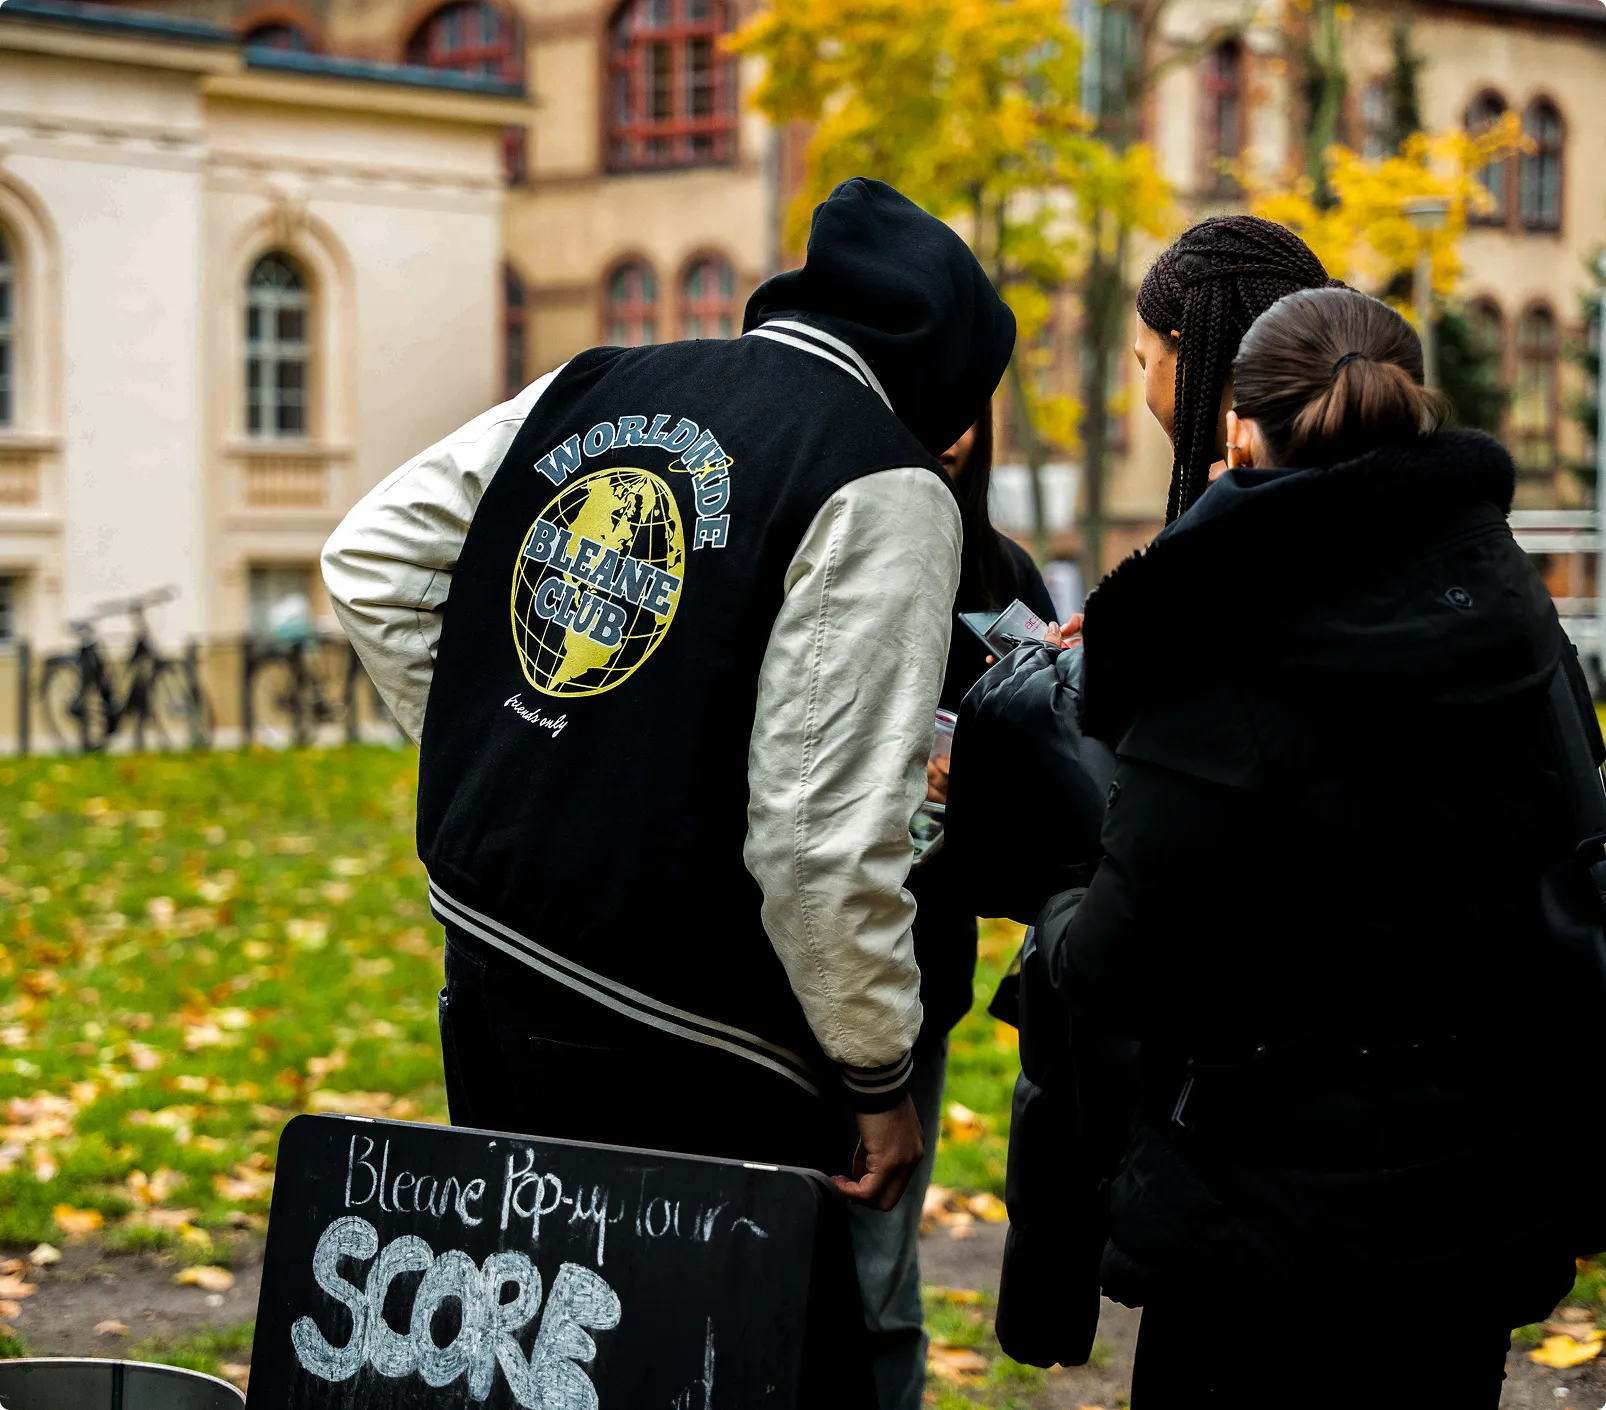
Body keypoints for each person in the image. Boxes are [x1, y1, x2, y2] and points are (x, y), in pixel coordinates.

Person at [321, 179, 1014, 1236]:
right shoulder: (883, 478)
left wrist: (523, 757)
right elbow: (819, 840)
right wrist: (877, 1073)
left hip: (496, 957)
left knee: (528, 1339)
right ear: (951, 369)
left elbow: (374, 560)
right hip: (703, 1029)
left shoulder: (595, 380)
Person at [1040, 285, 1599, 1406]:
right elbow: (1574, 871)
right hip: (1469, 1201)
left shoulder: (1209, 633)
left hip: (1256, 1221)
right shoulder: (1510, 609)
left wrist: (1055, 897)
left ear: (1237, 430)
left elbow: (1116, 957)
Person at [847, 406, 1056, 1410]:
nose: (946, 430)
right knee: (747, 1267)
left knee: (878, 1286)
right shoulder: (813, 543)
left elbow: (1058, 806)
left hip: (912, 977)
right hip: (762, 976)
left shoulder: (1001, 578)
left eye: (962, 405)